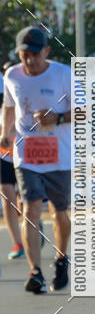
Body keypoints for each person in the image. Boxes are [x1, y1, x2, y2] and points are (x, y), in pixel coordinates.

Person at [0, 27, 72, 293]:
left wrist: (58, 118)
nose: (29, 60)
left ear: (46, 51)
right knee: (30, 210)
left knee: (59, 213)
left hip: (59, 156)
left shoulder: (63, 74)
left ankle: (61, 259)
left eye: (34, 54)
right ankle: (36, 271)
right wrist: (6, 133)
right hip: (26, 154)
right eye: (23, 54)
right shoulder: (12, 75)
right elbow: (9, 106)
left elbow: (87, 109)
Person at [0, 67, 25, 259]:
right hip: (3, 153)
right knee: (7, 197)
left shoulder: (22, 89)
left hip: (25, 151)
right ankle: (18, 243)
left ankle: (31, 223)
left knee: (24, 199)